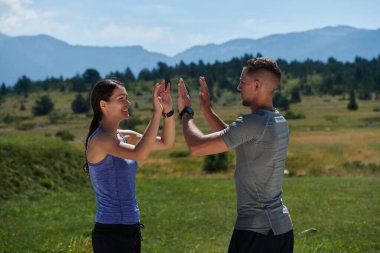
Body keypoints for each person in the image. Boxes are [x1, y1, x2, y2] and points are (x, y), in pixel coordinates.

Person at [177, 58, 294, 253]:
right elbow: (234, 140)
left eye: (242, 81)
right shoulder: (277, 120)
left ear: (257, 85)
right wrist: (207, 110)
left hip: (257, 232)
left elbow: (197, 147)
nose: (238, 87)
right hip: (281, 229)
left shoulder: (254, 122)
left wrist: (185, 113)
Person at [84, 78, 175, 253]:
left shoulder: (126, 136)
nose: (128, 102)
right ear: (103, 105)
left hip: (131, 228)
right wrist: (156, 113)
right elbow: (140, 153)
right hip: (111, 232)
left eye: (126, 97)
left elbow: (166, 143)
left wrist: (168, 112)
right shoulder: (99, 140)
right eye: (121, 99)